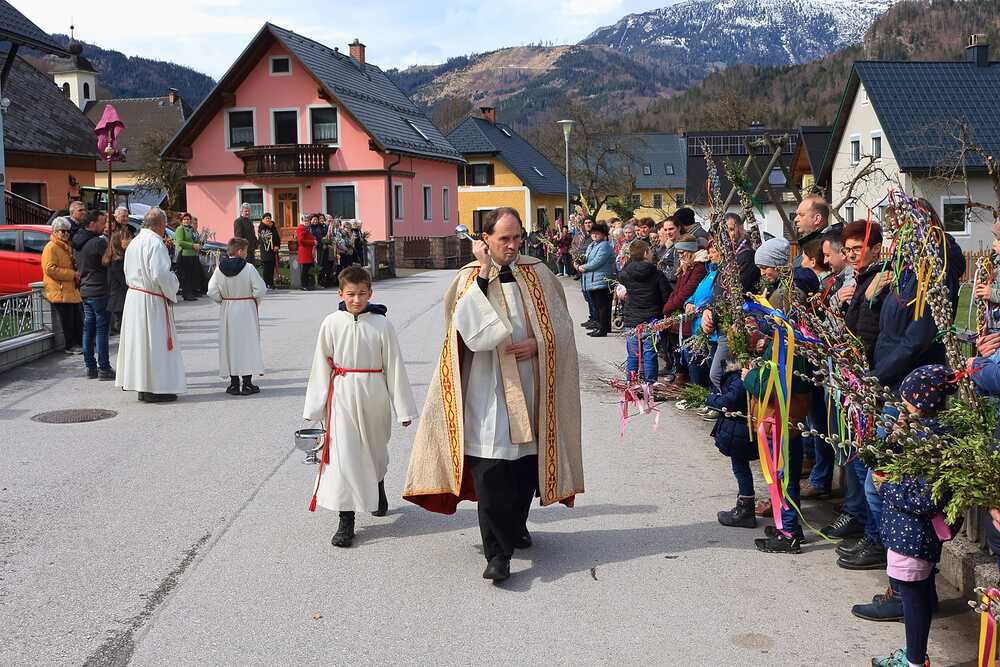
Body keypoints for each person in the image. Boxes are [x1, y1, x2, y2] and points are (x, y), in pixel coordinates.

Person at [403, 207, 584, 583]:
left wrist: (539, 343)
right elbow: (465, 330)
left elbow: (564, 328)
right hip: (486, 392)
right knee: (491, 471)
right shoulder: (470, 277)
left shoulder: (538, 273)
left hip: (531, 388)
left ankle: (516, 524)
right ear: (485, 240)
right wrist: (485, 271)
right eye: (504, 238)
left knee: (525, 468)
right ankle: (498, 555)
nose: (512, 245)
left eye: (517, 237)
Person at [304, 266, 417, 547]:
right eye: (351, 294)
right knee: (344, 456)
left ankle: (377, 484)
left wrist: (403, 409)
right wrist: (315, 407)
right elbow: (320, 364)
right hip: (342, 394)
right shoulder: (331, 323)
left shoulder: (382, 325)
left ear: (370, 293)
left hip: (374, 393)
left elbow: (394, 367)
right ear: (341, 294)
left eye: (362, 294)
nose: (357, 299)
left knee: (375, 450)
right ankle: (346, 520)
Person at [870, 365, 956, 667]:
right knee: (915, 591)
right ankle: (914, 654)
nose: (902, 404)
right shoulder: (921, 433)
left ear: (920, 403)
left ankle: (915, 660)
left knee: (913, 596)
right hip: (906, 533)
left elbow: (924, 498)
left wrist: (886, 486)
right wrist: (897, 436)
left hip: (912, 535)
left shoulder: (932, 443)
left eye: (906, 400)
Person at [115, 207, 187, 403]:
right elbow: (160, 274)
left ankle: (143, 387)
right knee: (155, 344)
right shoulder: (155, 243)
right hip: (151, 300)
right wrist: (174, 283)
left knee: (141, 345)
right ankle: (156, 388)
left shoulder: (135, 242)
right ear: (161, 225)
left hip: (135, 297)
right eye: (165, 225)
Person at [208, 237, 267, 396]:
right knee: (247, 344)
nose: (246, 254)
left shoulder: (219, 269)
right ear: (240, 251)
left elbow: (211, 290)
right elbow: (260, 289)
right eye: (245, 251)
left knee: (230, 345)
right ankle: (247, 383)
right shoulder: (249, 268)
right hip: (246, 308)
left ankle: (234, 384)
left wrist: (223, 301)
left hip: (228, 308)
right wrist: (254, 300)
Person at [710, 358, 758, 528]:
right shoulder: (741, 375)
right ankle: (745, 504)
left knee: (740, 467)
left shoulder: (739, 377)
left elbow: (731, 400)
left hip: (742, 431)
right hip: (743, 430)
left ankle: (746, 509)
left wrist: (711, 400)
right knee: (740, 467)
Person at [618, 239, 671, 384]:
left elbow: (620, 280)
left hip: (631, 319)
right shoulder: (657, 273)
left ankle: (631, 383)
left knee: (633, 354)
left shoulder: (626, 273)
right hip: (651, 319)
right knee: (650, 353)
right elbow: (666, 295)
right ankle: (650, 384)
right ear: (646, 253)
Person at [658, 235, 705, 394]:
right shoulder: (686, 267)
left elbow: (686, 292)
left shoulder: (698, 268)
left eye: (682, 253)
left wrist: (667, 309)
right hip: (677, 311)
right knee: (674, 342)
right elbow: (676, 291)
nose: (680, 256)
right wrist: (668, 308)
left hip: (687, 314)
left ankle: (684, 377)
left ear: (690, 251)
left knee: (683, 345)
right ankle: (679, 373)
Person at [75, 210, 115, 380]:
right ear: (92, 224)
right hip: (99, 290)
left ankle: (90, 367)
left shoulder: (78, 241)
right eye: (102, 222)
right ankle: (104, 367)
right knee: (101, 330)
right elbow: (111, 261)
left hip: (86, 289)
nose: (104, 225)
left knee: (88, 329)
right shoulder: (97, 243)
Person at [42, 218, 82, 354]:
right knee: (68, 321)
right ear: (55, 231)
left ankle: (79, 343)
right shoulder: (51, 247)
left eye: (68, 231)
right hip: (59, 290)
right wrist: (72, 274)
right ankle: (70, 346)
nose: (66, 234)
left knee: (76, 319)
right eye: (63, 231)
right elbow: (50, 269)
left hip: (69, 288)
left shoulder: (65, 246)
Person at [576, 221, 616, 337]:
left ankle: (602, 329)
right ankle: (603, 327)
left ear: (603, 234)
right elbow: (587, 257)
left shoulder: (604, 246)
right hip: (594, 280)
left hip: (602, 280)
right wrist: (578, 261)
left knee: (602, 306)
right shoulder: (592, 245)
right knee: (598, 306)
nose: (594, 235)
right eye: (593, 233)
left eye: (597, 233)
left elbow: (597, 262)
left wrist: (583, 267)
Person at [105, 225, 132, 334]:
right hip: (120, 300)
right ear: (118, 242)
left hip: (120, 299)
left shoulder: (121, 258)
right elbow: (125, 282)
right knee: (125, 331)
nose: (130, 240)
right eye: (126, 238)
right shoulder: (117, 261)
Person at [174, 212, 203, 301]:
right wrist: (192, 245)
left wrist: (199, 243)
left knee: (192, 275)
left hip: (194, 254)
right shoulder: (180, 229)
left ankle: (192, 292)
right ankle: (186, 294)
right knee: (186, 276)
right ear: (182, 221)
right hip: (185, 255)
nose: (187, 221)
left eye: (188, 219)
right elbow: (180, 242)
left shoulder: (191, 229)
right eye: (185, 219)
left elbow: (195, 240)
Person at [257, 213, 281, 289]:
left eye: (269, 218)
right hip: (266, 251)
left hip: (273, 251)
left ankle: (271, 283)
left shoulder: (273, 227)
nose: (268, 219)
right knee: (266, 268)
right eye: (266, 218)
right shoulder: (261, 227)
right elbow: (264, 239)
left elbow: (277, 238)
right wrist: (272, 246)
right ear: (263, 220)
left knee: (271, 268)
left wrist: (277, 246)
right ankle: (266, 283)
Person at [296, 215, 317, 291]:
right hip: (305, 251)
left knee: (309, 269)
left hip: (309, 251)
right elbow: (301, 241)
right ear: (302, 221)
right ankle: (304, 285)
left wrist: (314, 240)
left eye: (307, 221)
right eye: (305, 221)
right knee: (305, 269)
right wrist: (312, 242)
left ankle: (309, 284)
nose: (307, 222)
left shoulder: (307, 228)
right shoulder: (301, 228)